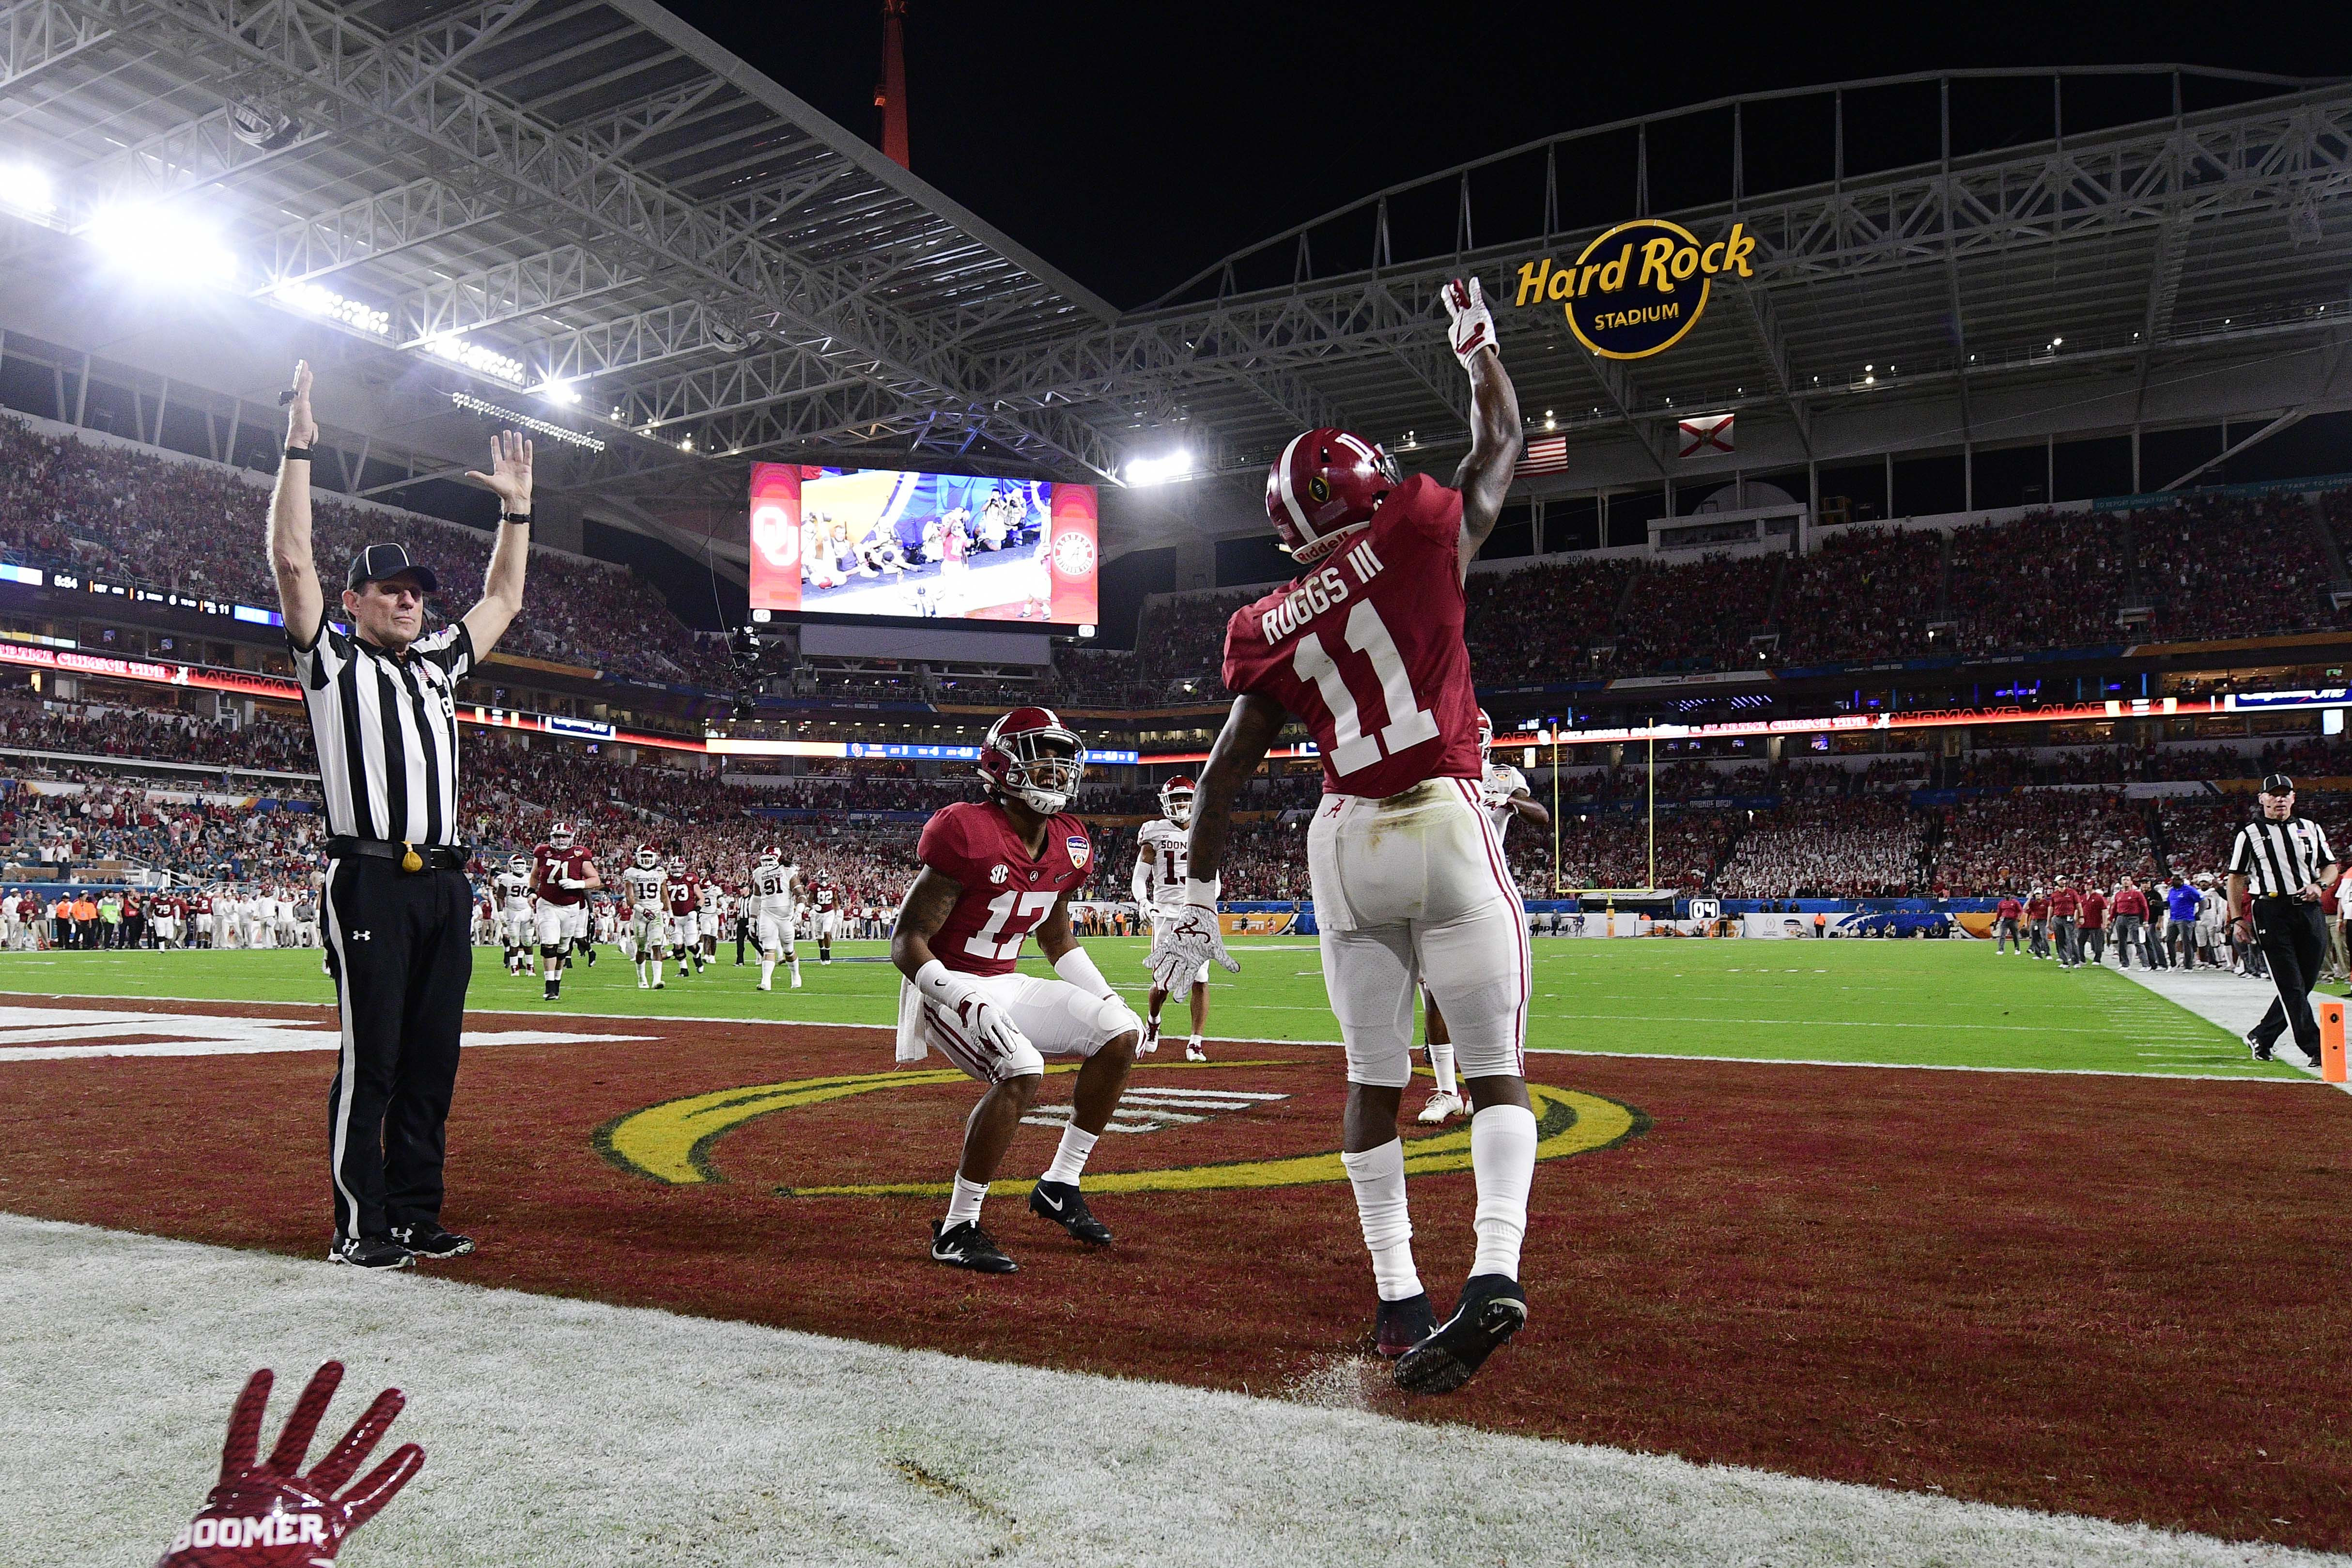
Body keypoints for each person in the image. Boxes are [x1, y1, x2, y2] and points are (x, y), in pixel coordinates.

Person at [1154, 278, 1533, 1396]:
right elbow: (1503, 440)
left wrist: (1194, 899)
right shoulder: (1418, 529)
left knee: (1372, 1079)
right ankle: (1492, 1271)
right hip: (1446, 817)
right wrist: (1476, 353)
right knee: (1495, 1073)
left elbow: (1224, 768)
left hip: (1343, 842)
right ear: (1369, 479)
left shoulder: (1258, 625)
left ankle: (1396, 1297)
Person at [269, 358, 532, 1270]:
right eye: (390, 591)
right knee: (372, 1060)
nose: (411, 600)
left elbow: (504, 599)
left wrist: (517, 511)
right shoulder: (333, 665)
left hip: (445, 881)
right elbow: (293, 558)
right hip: (372, 875)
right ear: (353, 603)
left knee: (431, 1064)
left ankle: (419, 1212)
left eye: (417, 590)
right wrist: (299, 445)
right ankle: (360, 1225)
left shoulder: (437, 665)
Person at [888, 706, 1144, 1273]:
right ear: (1001, 764)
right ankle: (957, 1226)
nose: (1053, 769)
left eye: (1060, 757)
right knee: (1022, 1068)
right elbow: (906, 940)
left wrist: (1106, 995)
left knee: (1119, 1032)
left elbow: (1056, 939)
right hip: (945, 986)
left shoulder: (1071, 841)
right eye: (1039, 755)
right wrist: (960, 997)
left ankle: (1059, 1184)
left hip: (1005, 979)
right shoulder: (965, 828)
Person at [1421, 709, 1549, 1124]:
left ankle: (1490, 1085)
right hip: (1439, 893)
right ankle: (1445, 1091)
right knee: (1435, 996)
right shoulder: (1434, 774)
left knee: (1494, 993)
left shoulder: (1503, 776)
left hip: (1486, 894)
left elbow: (1541, 815)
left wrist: (1509, 800)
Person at [2228, 774, 2337, 1066]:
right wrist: (2238, 918)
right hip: (2272, 910)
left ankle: (2262, 1036)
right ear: (2262, 799)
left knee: (2306, 982)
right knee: (2291, 983)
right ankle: (2316, 1048)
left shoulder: (2310, 828)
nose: (2280, 799)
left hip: (2308, 909)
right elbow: (2236, 878)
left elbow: (2330, 867)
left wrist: (2321, 886)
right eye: (2273, 794)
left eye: (2285, 794)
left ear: (2293, 798)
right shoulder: (2249, 833)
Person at [1134, 776, 1210, 1061]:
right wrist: (1143, 901)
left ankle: (1195, 1041)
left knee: (1200, 979)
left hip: (1194, 914)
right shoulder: (1154, 832)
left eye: (1186, 799)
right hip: (1166, 914)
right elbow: (1140, 876)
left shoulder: (1204, 829)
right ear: (1166, 803)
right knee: (1162, 982)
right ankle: (1153, 1022)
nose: (1181, 805)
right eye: (1176, 799)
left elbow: (1214, 878)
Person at [530, 822, 600, 1002]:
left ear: (571, 838)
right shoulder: (542, 852)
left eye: (564, 837)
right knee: (548, 943)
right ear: (552, 837)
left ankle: (557, 982)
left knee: (563, 947)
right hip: (547, 904)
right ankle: (549, 986)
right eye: (557, 836)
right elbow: (534, 874)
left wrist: (579, 884)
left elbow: (595, 880)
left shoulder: (580, 854)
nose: (560, 840)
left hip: (571, 906)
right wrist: (531, 892)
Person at [749, 845, 803, 992]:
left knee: (789, 950)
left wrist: (800, 910)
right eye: (764, 860)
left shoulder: (788, 872)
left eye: (769, 860)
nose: (766, 863)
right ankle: (766, 982)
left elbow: (800, 894)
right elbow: (756, 898)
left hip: (785, 916)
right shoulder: (759, 873)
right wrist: (752, 920)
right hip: (767, 913)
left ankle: (795, 975)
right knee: (768, 947)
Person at [620, 846, 669, 989]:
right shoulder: (631, 873)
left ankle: (657, 980)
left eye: (649, 856)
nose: (647, 859)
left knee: (657, 946)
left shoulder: (660, 872)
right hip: (640, 914)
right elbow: (630, 898)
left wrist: (668, 911)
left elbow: (664, 894)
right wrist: (642, 910)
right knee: (641, 949)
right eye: (645, 856)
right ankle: (642, 978)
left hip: (656, 913)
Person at [495, 853, 535, 976]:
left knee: (528, 941)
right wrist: (501, 913)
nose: (519, 866)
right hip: (512, 912)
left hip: (527, 911)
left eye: (521, 864)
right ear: (511, 865)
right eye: (516, 864)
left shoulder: (530, 877)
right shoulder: (506, 878)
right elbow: (500, 897)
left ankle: (530, 968)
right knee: (514, 941)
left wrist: (536, 912)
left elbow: (535, 895)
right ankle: (514, 968)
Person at [2165, 874, 2203, 970]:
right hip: (2173, 918)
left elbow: (2203, 901)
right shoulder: (2172, 890)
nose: (2172, 882)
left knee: (2186, 942)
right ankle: (2173, 964)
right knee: (2169, 941)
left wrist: (2199, 913)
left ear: (2181, 881)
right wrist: (2158, 903)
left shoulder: (2189, 890)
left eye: (2174, 880)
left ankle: (2189, 966)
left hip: (2186, 919)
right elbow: (2169, 903)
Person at [2111, 878, 2148, 967]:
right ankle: (2124, 963)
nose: (2126, 882)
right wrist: (2110, 919)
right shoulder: (2118, 895)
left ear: (2131, 882)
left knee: (2137, 941)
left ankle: (2146, 964)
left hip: (2133, 918)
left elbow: (2145, 907)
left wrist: (2145, 921)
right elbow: (2114, 908)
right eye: (2124, 880)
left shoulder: (2137, 894)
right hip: (2121, 917)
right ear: (2121, 882)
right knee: (2122, 942)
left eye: (2128, 880)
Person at [2049, 879, 2081, 968]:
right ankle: (2065, 961)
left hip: (2069, 918)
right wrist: (2049, 921)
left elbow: (2079, 905)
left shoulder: (2072, 892)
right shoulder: (2054, 895)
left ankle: (2076, 961)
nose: (2062, 882)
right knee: (2060, 941)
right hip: (2057, 918)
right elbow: (2051, 908)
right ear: (2056, 882)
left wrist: (2081, 916)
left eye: (2063, 880)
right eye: (2060, 880)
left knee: (2071, 939)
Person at [812, 873, 841, 964]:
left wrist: (836, 911)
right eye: (822, 879)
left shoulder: (832, 887)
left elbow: (835, 900)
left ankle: (828, 955)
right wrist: (813, 906)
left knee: (827, 933)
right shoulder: (814, 887)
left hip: (829, 912)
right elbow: (809, 900)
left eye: (825, 878)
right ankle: (822, 953)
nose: (824, 881)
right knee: (820, 936)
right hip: (818, 914)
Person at [2079, 882, 2108, 966]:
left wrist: (2105, 923)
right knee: (2080, 941)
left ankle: (2097, 959)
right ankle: (2082, 958)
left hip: (2096, 924)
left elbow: (2104, 911)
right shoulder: (2082, 897)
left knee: (2098, 942)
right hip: (2084, 924)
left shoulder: (2099, 898)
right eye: (2085, 884)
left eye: (2089, 884)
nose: (2087, 886)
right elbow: (2078, 909)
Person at [1994, 890, 2023, 954]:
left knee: (2015, 935)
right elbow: (1999, 914)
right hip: (2005, 920)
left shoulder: (2015, 902)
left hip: (2013, 920)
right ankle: (2001, 950)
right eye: (2005, 894)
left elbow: (2020, 910)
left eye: (2008, 894)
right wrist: (1996, 922)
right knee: (2002, 935)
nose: (2007, 895)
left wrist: (2019, 917)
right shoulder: (2001, 903)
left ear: (2011, 894)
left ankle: (2017, 949)